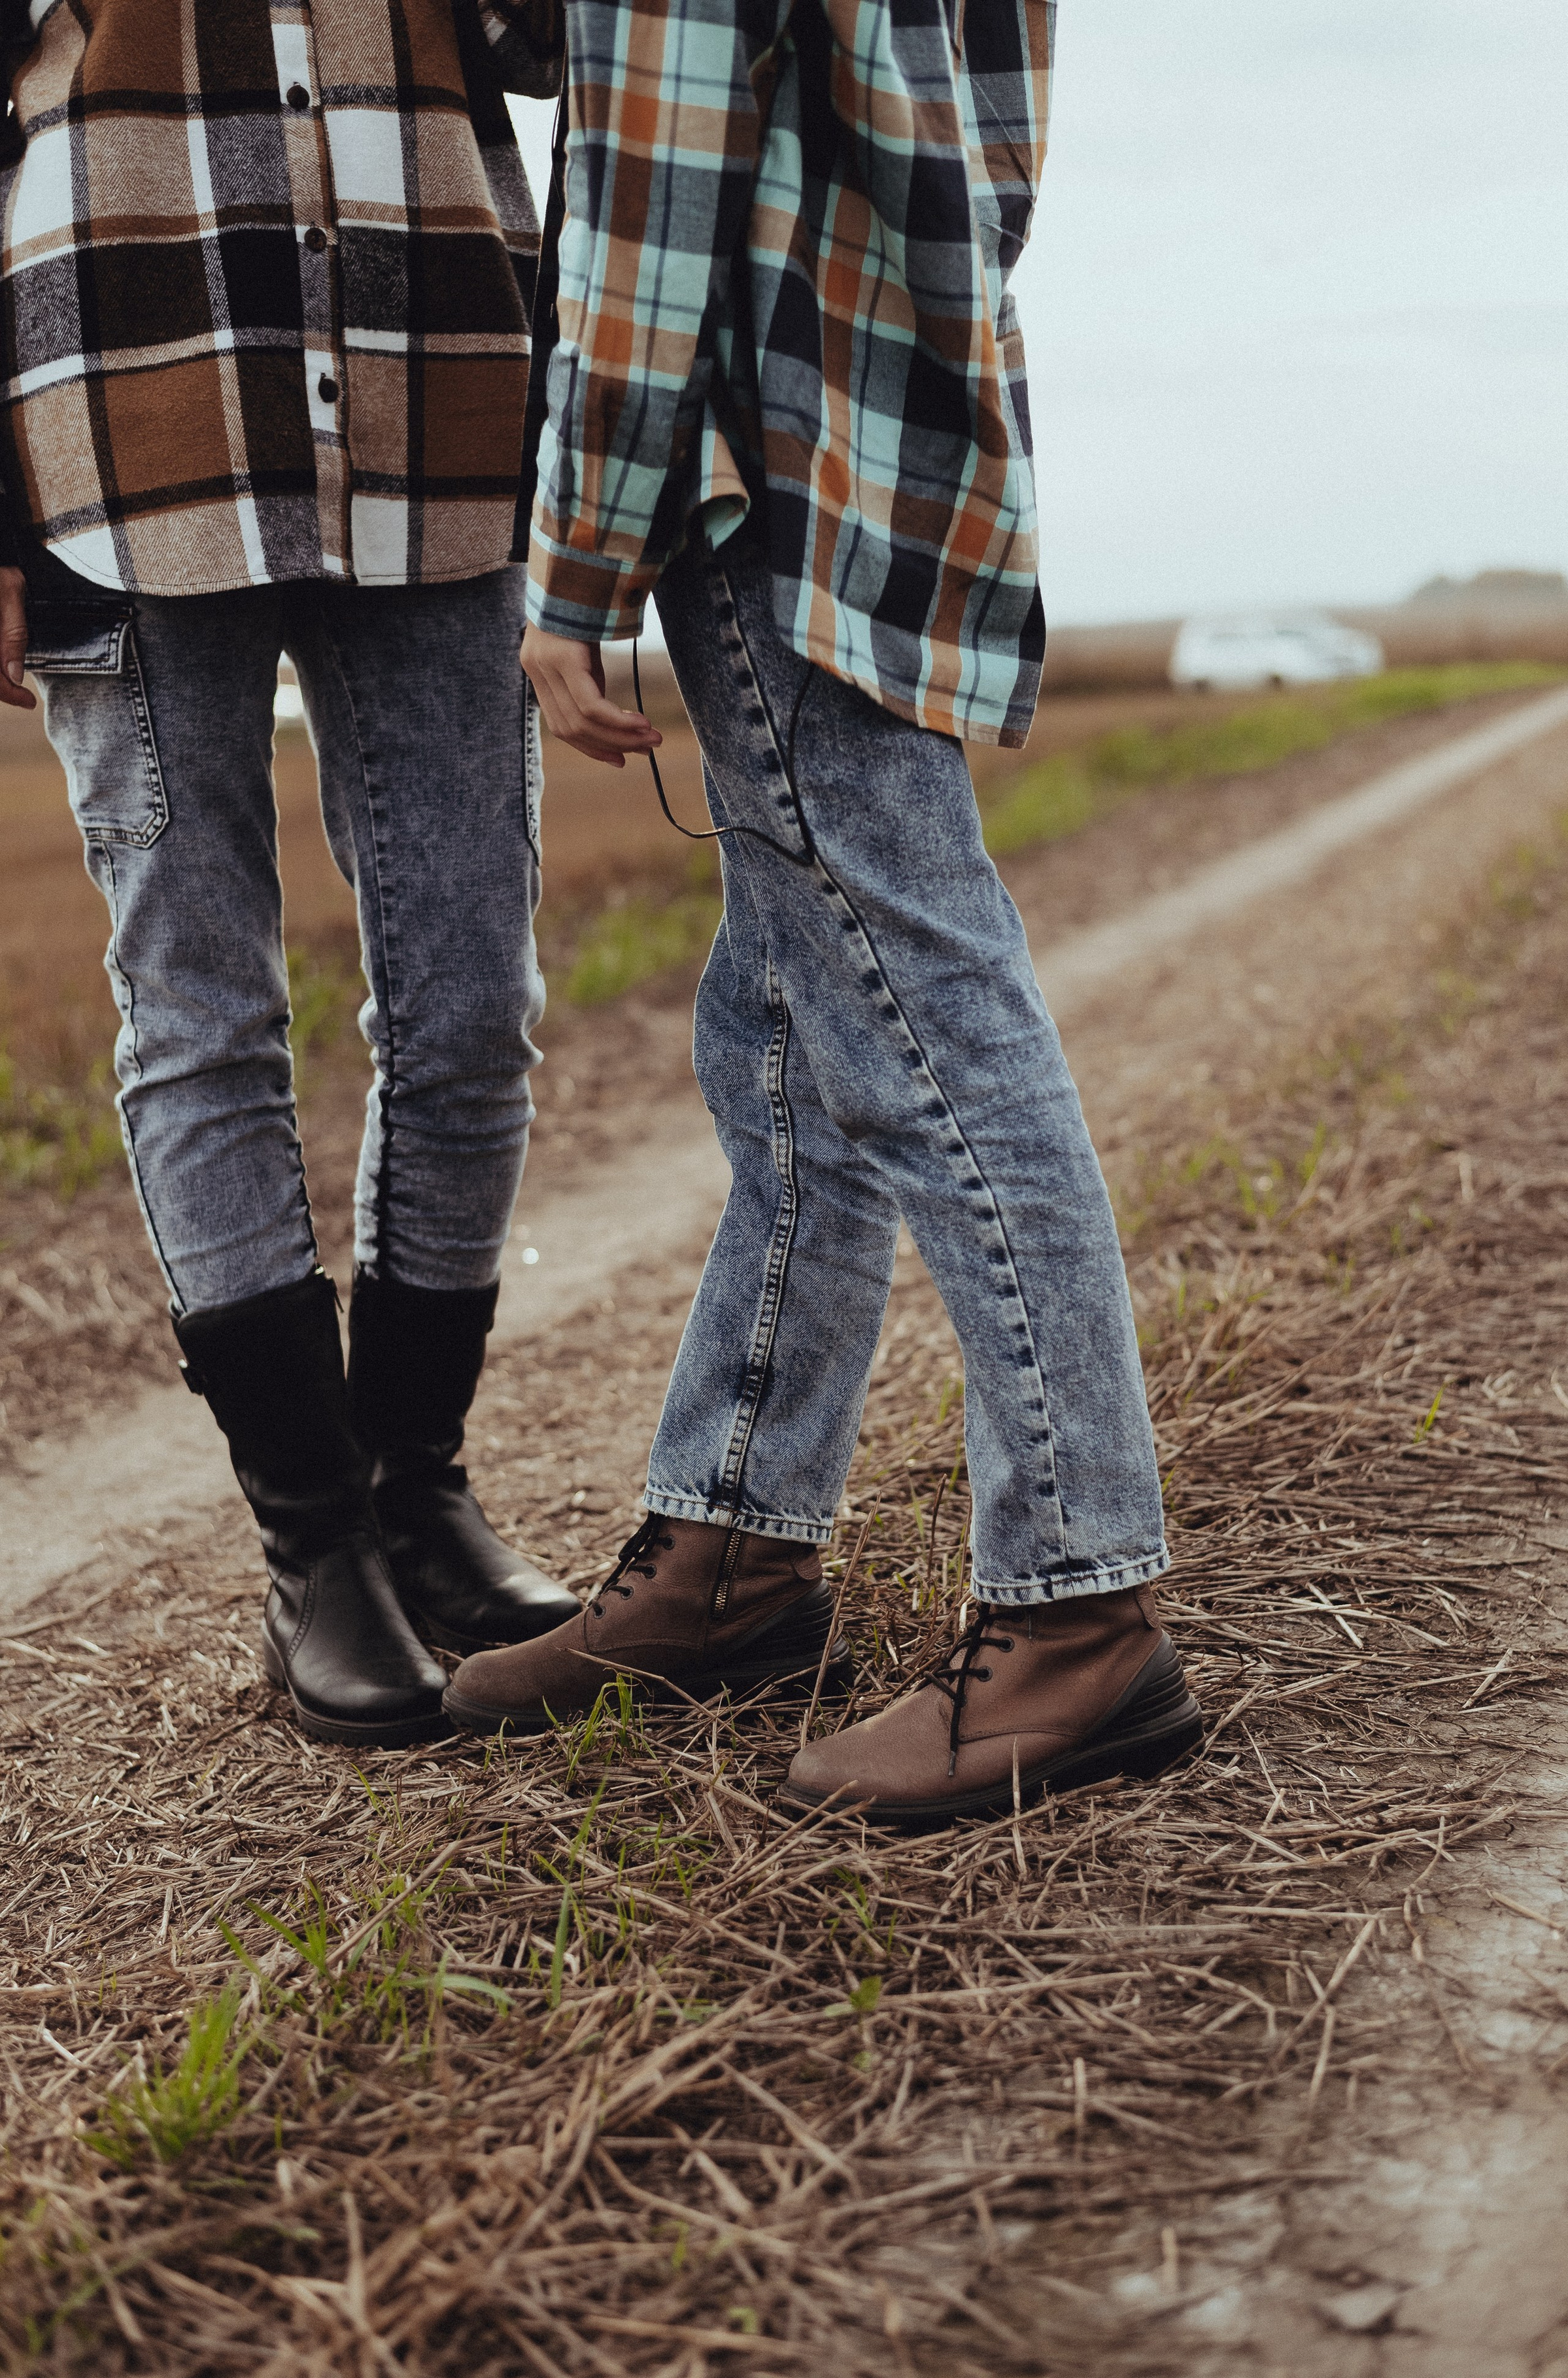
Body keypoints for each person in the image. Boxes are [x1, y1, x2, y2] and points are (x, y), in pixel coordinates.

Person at [443, 0, 1202, 1824]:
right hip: (881, 405)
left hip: (761, 433)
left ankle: (1080, 1599)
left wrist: (580, 549)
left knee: (914, 999)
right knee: (793, 1011)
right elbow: (988, 141)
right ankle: (736, 1539)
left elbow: (652, 146)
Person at [0, 2, 583, 1749]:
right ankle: (316, 1549)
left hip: (445, 415)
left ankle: (419, 1495)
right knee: (199, 1003)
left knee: (477, 995)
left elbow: (554, 45)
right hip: (114, 427)